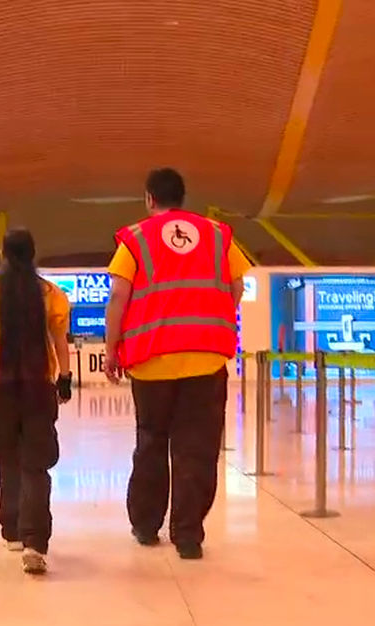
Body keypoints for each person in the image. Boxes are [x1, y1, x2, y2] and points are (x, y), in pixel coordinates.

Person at [104, 168, 252, 560]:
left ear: (150, 198)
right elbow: (238, 285)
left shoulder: (135, 239)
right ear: (183, 198)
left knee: (151, 442)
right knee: (197, 448)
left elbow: (119, 295)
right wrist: (214, 314)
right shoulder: (219, 236)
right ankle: (188, 535)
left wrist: (111, 349)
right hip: (205, 359)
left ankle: (146, 525)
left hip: (151, 361)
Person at [0, 229, 73, 575]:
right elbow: (60, 340)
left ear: (3, 253)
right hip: (39, 387)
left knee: (7, 458)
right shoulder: (51, 294)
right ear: (33, 254)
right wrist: (65, 378)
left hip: (1, 389)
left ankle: (11, 530)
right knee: (36, 464)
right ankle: (35, 541)